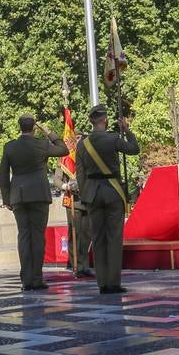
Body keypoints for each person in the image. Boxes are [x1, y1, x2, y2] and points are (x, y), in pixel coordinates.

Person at [0, 115, 68, 292]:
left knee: (23, 236)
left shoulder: (10, 147)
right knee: (37, 237)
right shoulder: (41, 144)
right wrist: (50, 133)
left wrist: (7, 199)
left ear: (19, 127)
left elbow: (3, 175)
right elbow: (63, 149)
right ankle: (36, 278)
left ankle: (26, 278)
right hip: (38, 195)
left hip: (19, 197)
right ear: (34, 128)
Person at [76, 105, 139, 295]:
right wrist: (127, 131)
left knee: (98, 238)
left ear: (91, 121)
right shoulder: (113, 139)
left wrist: (85, 195)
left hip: (92, 194)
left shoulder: (82, 144)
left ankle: (102, 282)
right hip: (113, 192)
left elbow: (80, 174)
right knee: (113, 238)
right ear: (105, 120)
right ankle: (113, 282)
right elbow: (134, 149)